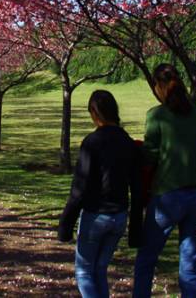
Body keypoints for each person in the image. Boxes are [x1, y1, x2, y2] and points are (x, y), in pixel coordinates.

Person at [133, 64, 196, 298]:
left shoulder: (157, 115)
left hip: (167, 196)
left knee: (146, 260)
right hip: (195, 195)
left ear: (159, 86)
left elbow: (150, 155)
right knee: (190, 264)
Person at [58, 90, 142, 298]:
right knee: (99, 271)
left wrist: (66, 224)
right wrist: (135, 228)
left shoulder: (92, 142)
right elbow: (137, 186)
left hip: (96, 215)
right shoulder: (128, 142)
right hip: (119, 217)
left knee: (84, 272)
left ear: (95, 113)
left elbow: (80, 188)